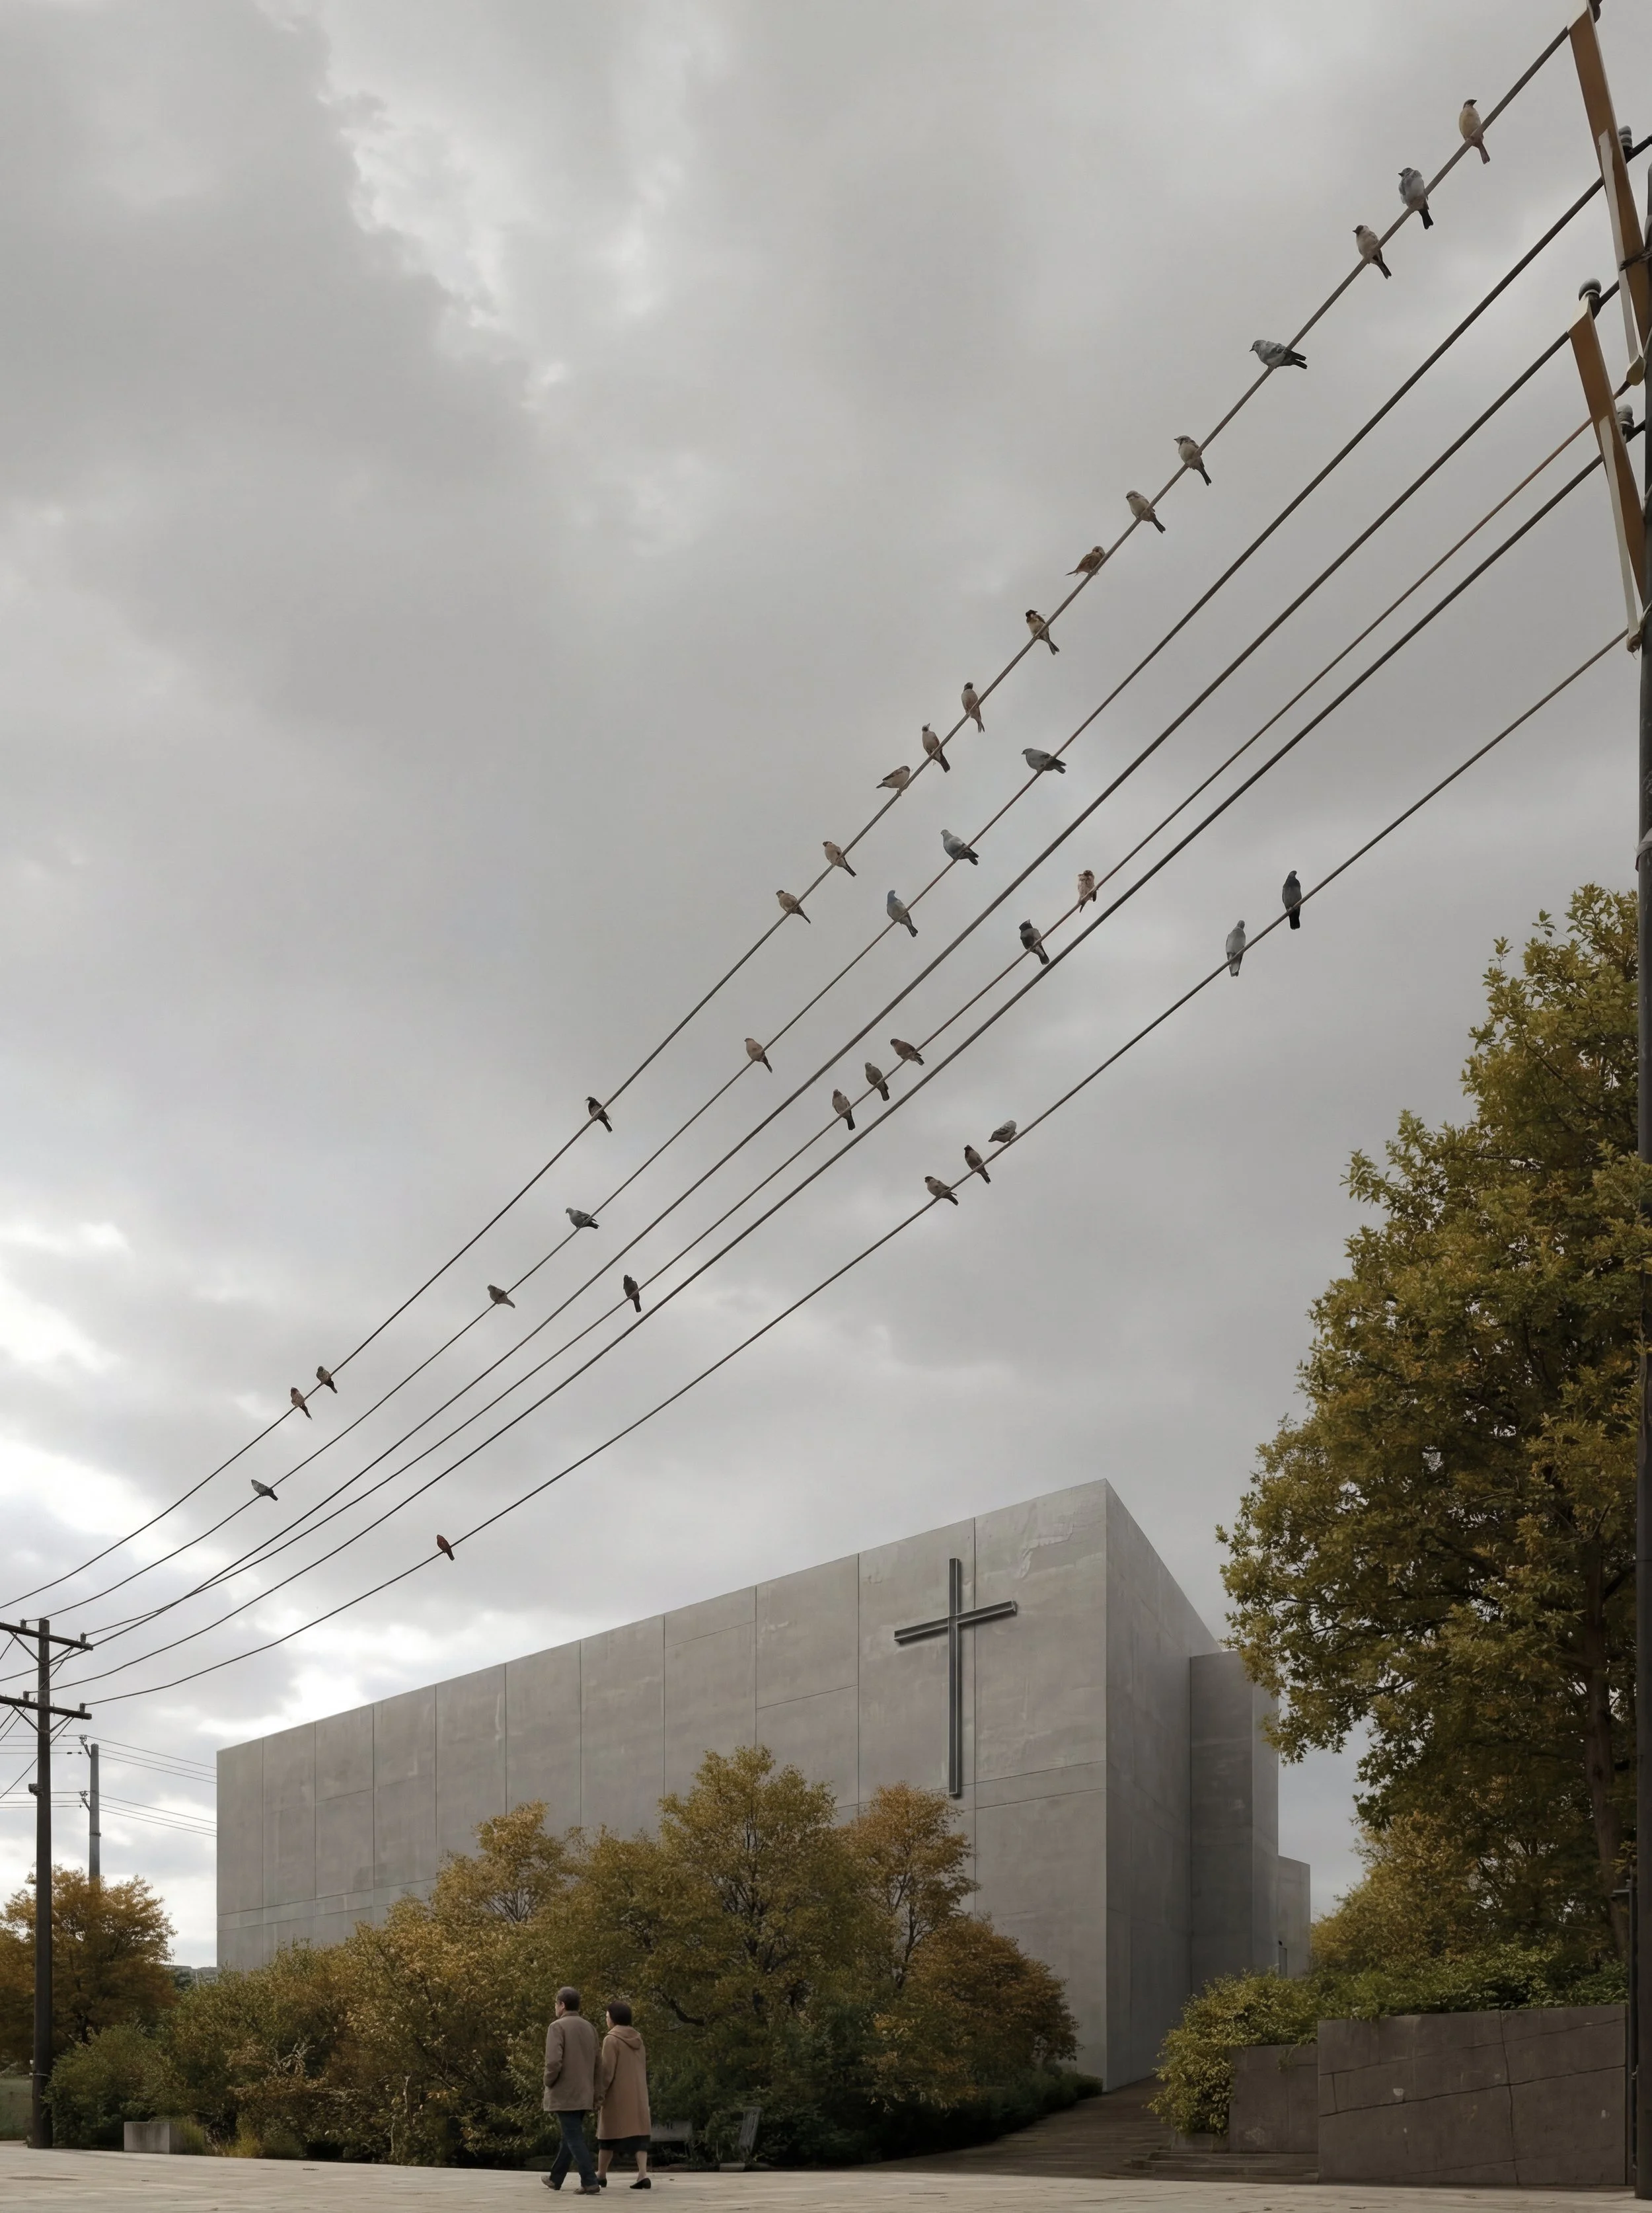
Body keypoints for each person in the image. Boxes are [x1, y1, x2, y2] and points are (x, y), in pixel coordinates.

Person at [543, 1985, 601, 2194]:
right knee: (569, 2136)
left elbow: (553, 2062)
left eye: (555, 2004)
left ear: (562, 2005)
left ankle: (589, 2180)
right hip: (585, 2092)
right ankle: (555, 2178)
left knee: (573, 2137)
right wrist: (597, 2093)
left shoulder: (557, 2027)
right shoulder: (590, 2028)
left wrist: (548, 2082)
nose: (555, 2008)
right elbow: (598, 2064)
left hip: (565, 2092)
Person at [595, 1998, 652, 2189]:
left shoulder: (611, 2039)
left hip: (617, 2097)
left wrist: (600, 2094)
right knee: (640, 2138)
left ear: (613, 2018)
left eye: (607, 2016)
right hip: (639, 2096)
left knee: (608, 2137)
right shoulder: (639, 2039)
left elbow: (607, 2071)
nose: (606, 2019)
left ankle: (601, 2174)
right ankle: (642, 2174)